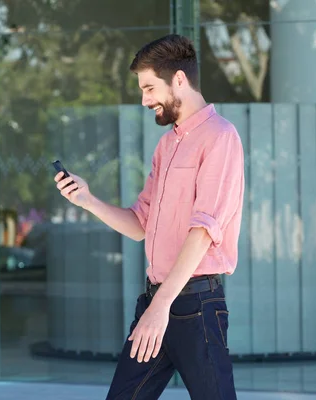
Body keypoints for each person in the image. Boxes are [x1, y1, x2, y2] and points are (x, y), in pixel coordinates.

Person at [54, 34, 244, 400]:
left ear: (179, 80)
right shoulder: (167, 145)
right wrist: (88, 200)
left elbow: (204, 231)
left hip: (194, 308)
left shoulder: (220, 137)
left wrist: (161, 307)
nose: (145, 100)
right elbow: (140, 224)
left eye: (149, 88)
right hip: (157, 302)